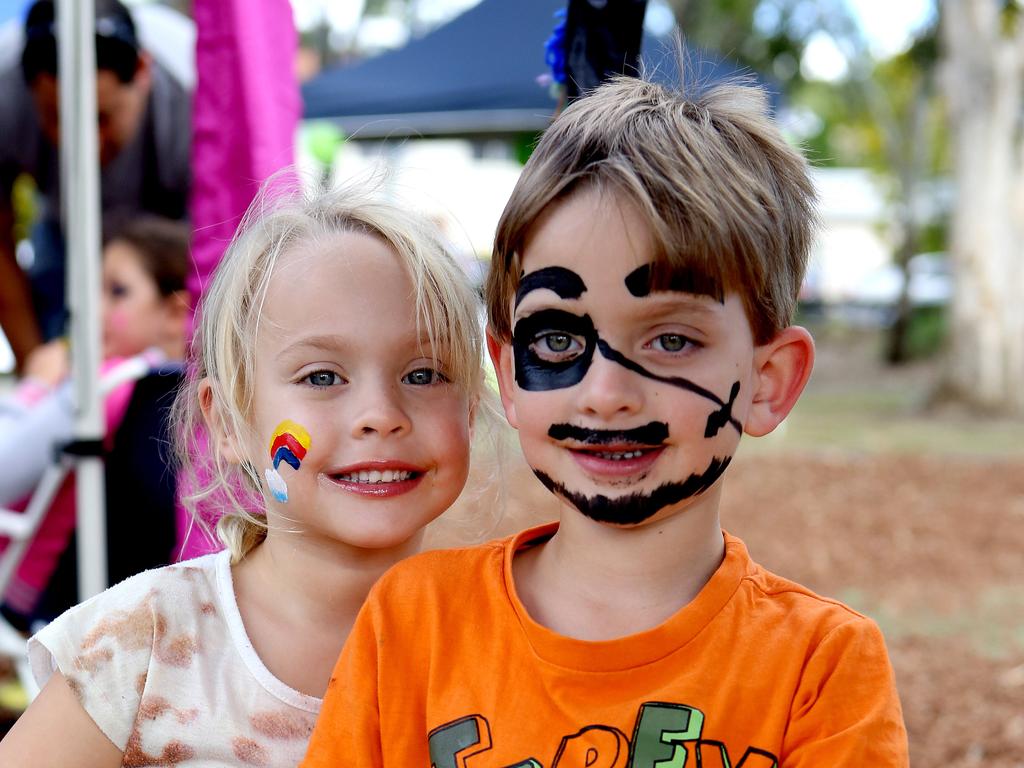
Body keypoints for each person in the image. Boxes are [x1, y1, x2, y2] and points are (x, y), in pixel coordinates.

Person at [301, 76, 910, 766]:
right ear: (507, 374)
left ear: (768, 383)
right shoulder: (414, 622)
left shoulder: (821, 667)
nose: (606, 393)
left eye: (671, 339)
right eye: (557, 340)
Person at [0, 182, 486, 766]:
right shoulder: (139, 646)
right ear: (228, 421)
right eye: (322, 377)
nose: (380, 416)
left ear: (472, 406)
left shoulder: (512, 637)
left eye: (424, 373)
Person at [0, 215, 191, 630]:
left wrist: (33, 386)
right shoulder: (191, 396)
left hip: (25, 586)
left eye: (116, 292)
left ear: (176, 312)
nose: (93, 308)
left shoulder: (100, 385)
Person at [0, 0, 191, 370]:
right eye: (58, 118)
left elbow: (229, 244)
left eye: (100, 118)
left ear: (142, 72)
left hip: (174, 233)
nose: (83, 144)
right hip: (62, 232)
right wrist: (37, 368)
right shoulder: (3, 91)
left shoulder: (196, 88)